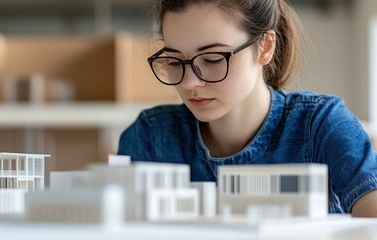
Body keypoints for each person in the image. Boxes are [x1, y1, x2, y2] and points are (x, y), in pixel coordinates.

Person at [117, 0, 377, 217]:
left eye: (211, 59)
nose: (188, 83)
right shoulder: (149, 138)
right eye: (174, 61)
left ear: (264, 47)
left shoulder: (322, 125)